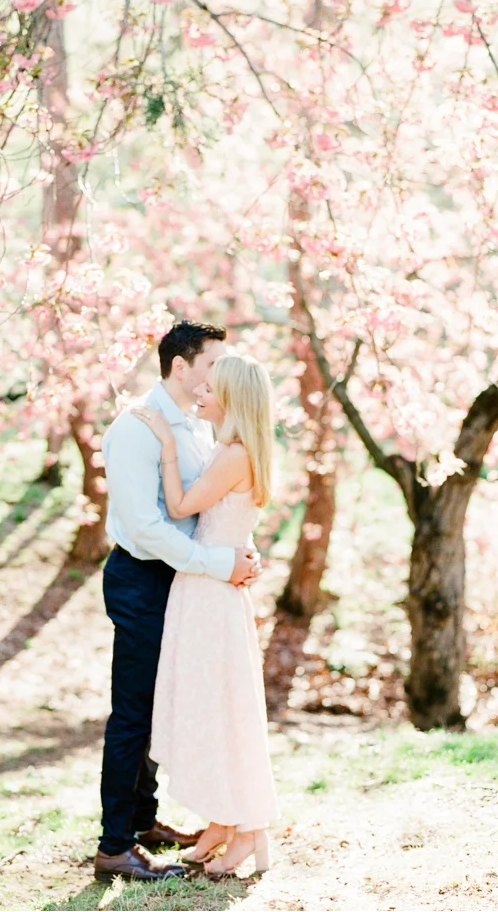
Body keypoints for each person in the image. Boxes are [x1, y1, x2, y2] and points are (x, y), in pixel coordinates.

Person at [92, 320, 261, 883]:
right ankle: (115, 845)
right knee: (134, 711)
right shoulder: (137, 429)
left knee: (164, 701)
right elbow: (145, 529)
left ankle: (144, 820)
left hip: (185, 581)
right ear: (180, 366)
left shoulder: (201, 425)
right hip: (142, 577)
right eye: (213, 363)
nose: (220, 373)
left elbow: (211, 504)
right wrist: (219, 563)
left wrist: (238, 549)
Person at [133, 354, 280, 878]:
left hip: (210, 594)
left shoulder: (233, 454)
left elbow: (178, 507)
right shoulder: (237, 451)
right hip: (210, 588)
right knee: (215, 704)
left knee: (219, 709)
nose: (200, 393)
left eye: (211, 389)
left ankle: (245, 829)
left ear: (232, 400)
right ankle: (222, 822)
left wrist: (168, 449)